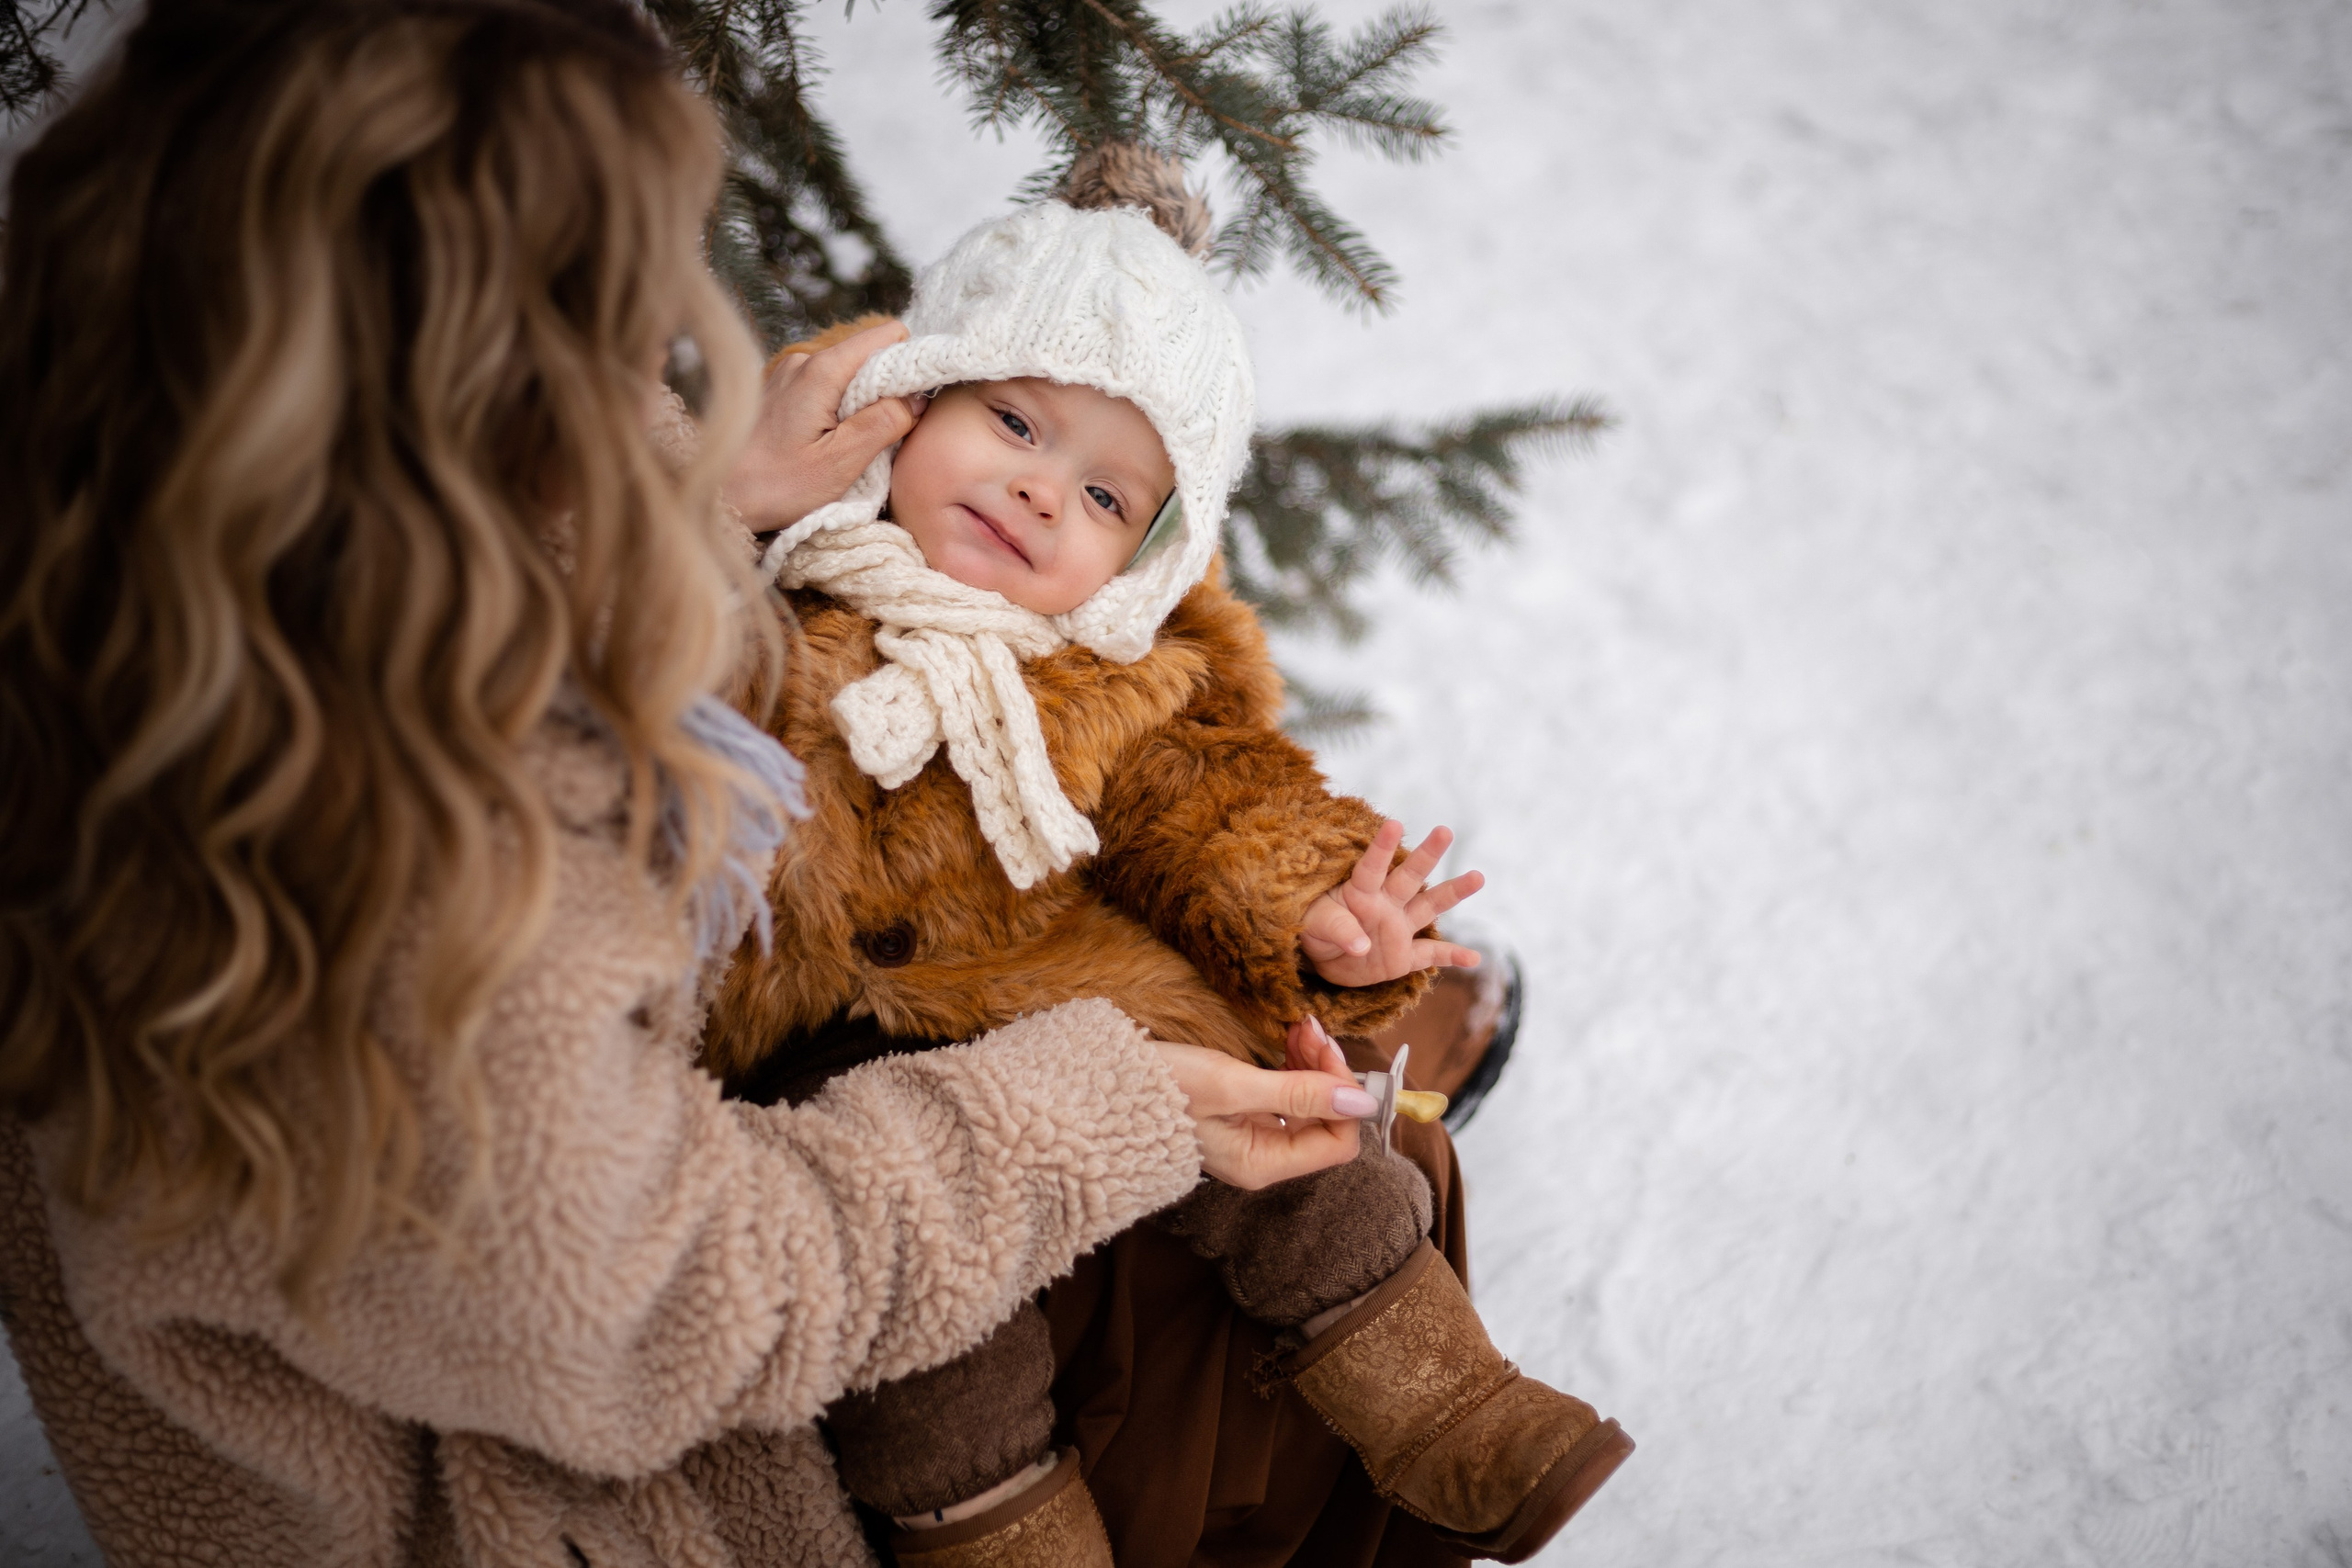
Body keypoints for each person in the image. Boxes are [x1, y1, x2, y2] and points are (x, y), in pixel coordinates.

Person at [0, 5, 1374, 1563]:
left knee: (1317, 1138)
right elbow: (651, 1305)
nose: (665, 340)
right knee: (1236, 1269)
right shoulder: (406, 828)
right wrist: (1096, 1105)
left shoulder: (142, 497)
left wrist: (707, 489)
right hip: (544, 1508)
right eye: (603, 320)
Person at [704, 146, 1634, 1565]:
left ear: (1146, 555)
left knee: (1306, 1154)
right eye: (1015, 421)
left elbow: (1215, 801)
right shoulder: (761, 601)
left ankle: (1445, 1403)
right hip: (821, 1071)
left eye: (1105, 499)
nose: (1040, 493)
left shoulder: (1109, 665)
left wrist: (1322, 915)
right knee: (931, 1329)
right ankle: (1007, 1542)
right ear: (909, 396)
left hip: (1072, 1010)